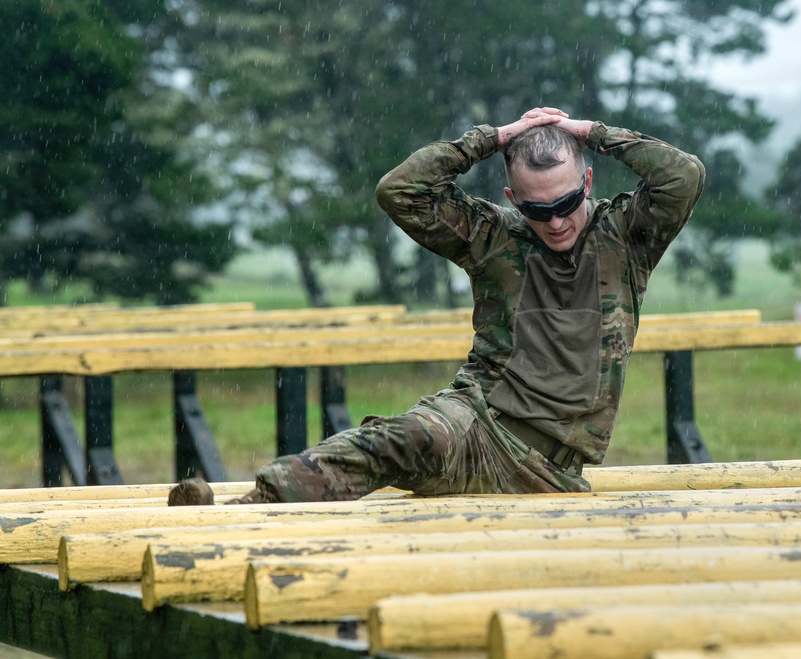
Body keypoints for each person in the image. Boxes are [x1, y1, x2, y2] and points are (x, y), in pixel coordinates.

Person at [168, 107, 704, 506]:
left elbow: (683, 175)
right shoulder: (495, 236)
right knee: (397, 440)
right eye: (540, 209)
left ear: (587, 181)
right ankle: (241, 512)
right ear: (514, 199)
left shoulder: (626, 236)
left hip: (552, 470)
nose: (557, 221)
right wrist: (490, 139)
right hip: (476, 423)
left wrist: (591, 133)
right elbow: (400, 191)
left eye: (566, 203)